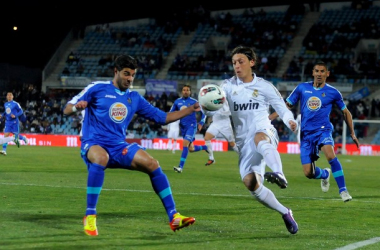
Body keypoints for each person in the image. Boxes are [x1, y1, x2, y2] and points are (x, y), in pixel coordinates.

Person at [63, 55, 197, 236]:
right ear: (116, 71)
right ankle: (90, 215)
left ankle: (174, 216)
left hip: (119, 146)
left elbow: (163, 118)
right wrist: (76, 108)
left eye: (132, 75)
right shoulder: (97, 88)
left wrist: (190, 110)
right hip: (93, 143)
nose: (129, 79)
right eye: (126, 74)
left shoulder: (134, 98)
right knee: (101, 157)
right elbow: (67, 108)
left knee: (153, 164)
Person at [205, 45, 299, 234]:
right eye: (234, 63)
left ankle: (279, 172)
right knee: (251, 183)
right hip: (243, 143)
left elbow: (280, 106)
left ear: (252, 62)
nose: (237, 66)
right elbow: (215, 109)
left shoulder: (263, 85)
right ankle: (285, 212)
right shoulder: (227, 87)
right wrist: (206, 106)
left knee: (260, 137)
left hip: (265, 132)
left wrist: (290, 121)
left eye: (241, 62)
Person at [284, 61, 359, 202]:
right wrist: (272, 117)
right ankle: (324, 174)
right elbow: (286, 106)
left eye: (322, 71)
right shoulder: (302, 88)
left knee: (330, 155)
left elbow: (346, 112)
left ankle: (343, 190)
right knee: (308, 173)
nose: (319, 74)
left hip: (323, 130)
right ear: (312, 72)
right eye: (317, 71)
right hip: (306, 134)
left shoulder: (333, 92)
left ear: (327, 74)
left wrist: (352, 133)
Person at [170, 85, 208, 173]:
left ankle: (180, 167)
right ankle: (206, 147)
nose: (186, 91)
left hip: (192, 125)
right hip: (183, 127)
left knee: (185, 144)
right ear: (181, 91)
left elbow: (203, 113)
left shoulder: (194, 102)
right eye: (184, 90)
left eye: (187, 90)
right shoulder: (177, 102)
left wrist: (201, 123)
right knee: (191, 149)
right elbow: (170, 113)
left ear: (190, 92)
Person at [203, 99, 239, 166]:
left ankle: (243, 158)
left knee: (232, 144)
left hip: (225, 124)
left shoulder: (227, 100)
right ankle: (211, 158)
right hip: (215, 123)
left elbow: (230, 112)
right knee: (207, 138)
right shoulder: (214, 99)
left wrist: (221, 113)